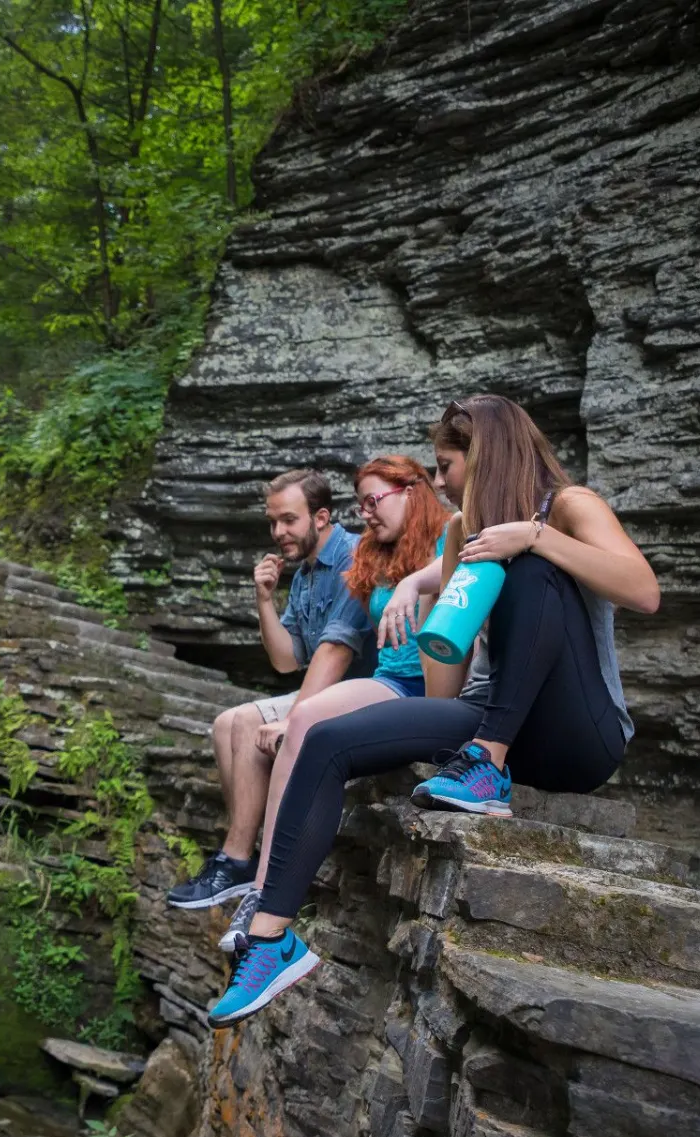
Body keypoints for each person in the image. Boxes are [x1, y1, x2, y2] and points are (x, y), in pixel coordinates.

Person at [207, 395, 661, 1028]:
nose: (439, 481)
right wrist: (434, 615)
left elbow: (644, 591)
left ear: (485, 457)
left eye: (446, 465)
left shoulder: (567, 507)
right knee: (322, 740)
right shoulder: (456, 534)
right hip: (487, 714)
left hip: (577, 733)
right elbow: (447, 688)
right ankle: (271, 939)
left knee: (531, 566)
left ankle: (487, 763)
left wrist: (534, 537)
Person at [210, 456, 450, 953]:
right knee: (298, 721)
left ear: (413, 491)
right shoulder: (374, 556)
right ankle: (261, 891)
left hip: (434, 686)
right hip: (392, 681)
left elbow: (343, 649)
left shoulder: (451, 535)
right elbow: (291, 658)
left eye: (374, 500)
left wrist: (416, 584)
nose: (366, 513)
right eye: (361, 504)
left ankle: (263, 890)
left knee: (305, 719)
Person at [166, 469, 373, 913]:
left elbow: (335, 654)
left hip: (360, 693)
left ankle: (239, 860)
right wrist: (264, 600)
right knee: (225, 725)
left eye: (288, 520)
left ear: (320, 517)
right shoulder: (303, 577)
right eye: (272, 522)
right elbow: (286, 661)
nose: (278, 532)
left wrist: (293, 716)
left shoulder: (358, 558)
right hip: (321, 688)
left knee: (244, 721)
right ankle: (243, 852)